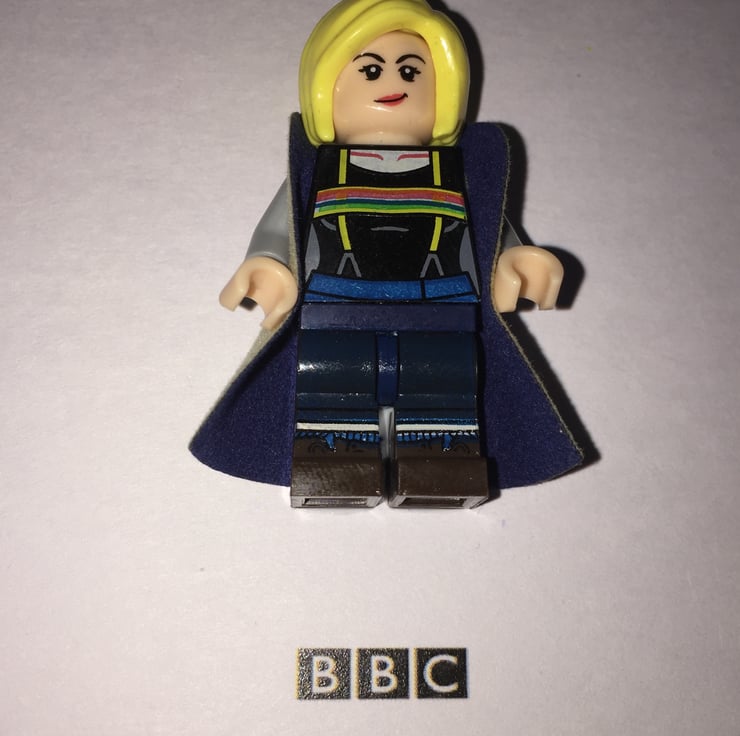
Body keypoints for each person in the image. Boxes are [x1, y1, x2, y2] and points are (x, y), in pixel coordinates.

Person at [190, 0, 583, 508]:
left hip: (441, 304)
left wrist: (514, 259)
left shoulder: (455, 174)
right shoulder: (320, 170)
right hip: (337, 302)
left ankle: (442, 467)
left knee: (443, 384)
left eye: (412, 71)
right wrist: (270, 263)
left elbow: (488, 231)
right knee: (333, 381)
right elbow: (279, 226)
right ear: (325, 90)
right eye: (370, 70)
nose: (392, 82)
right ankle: (335, 465)